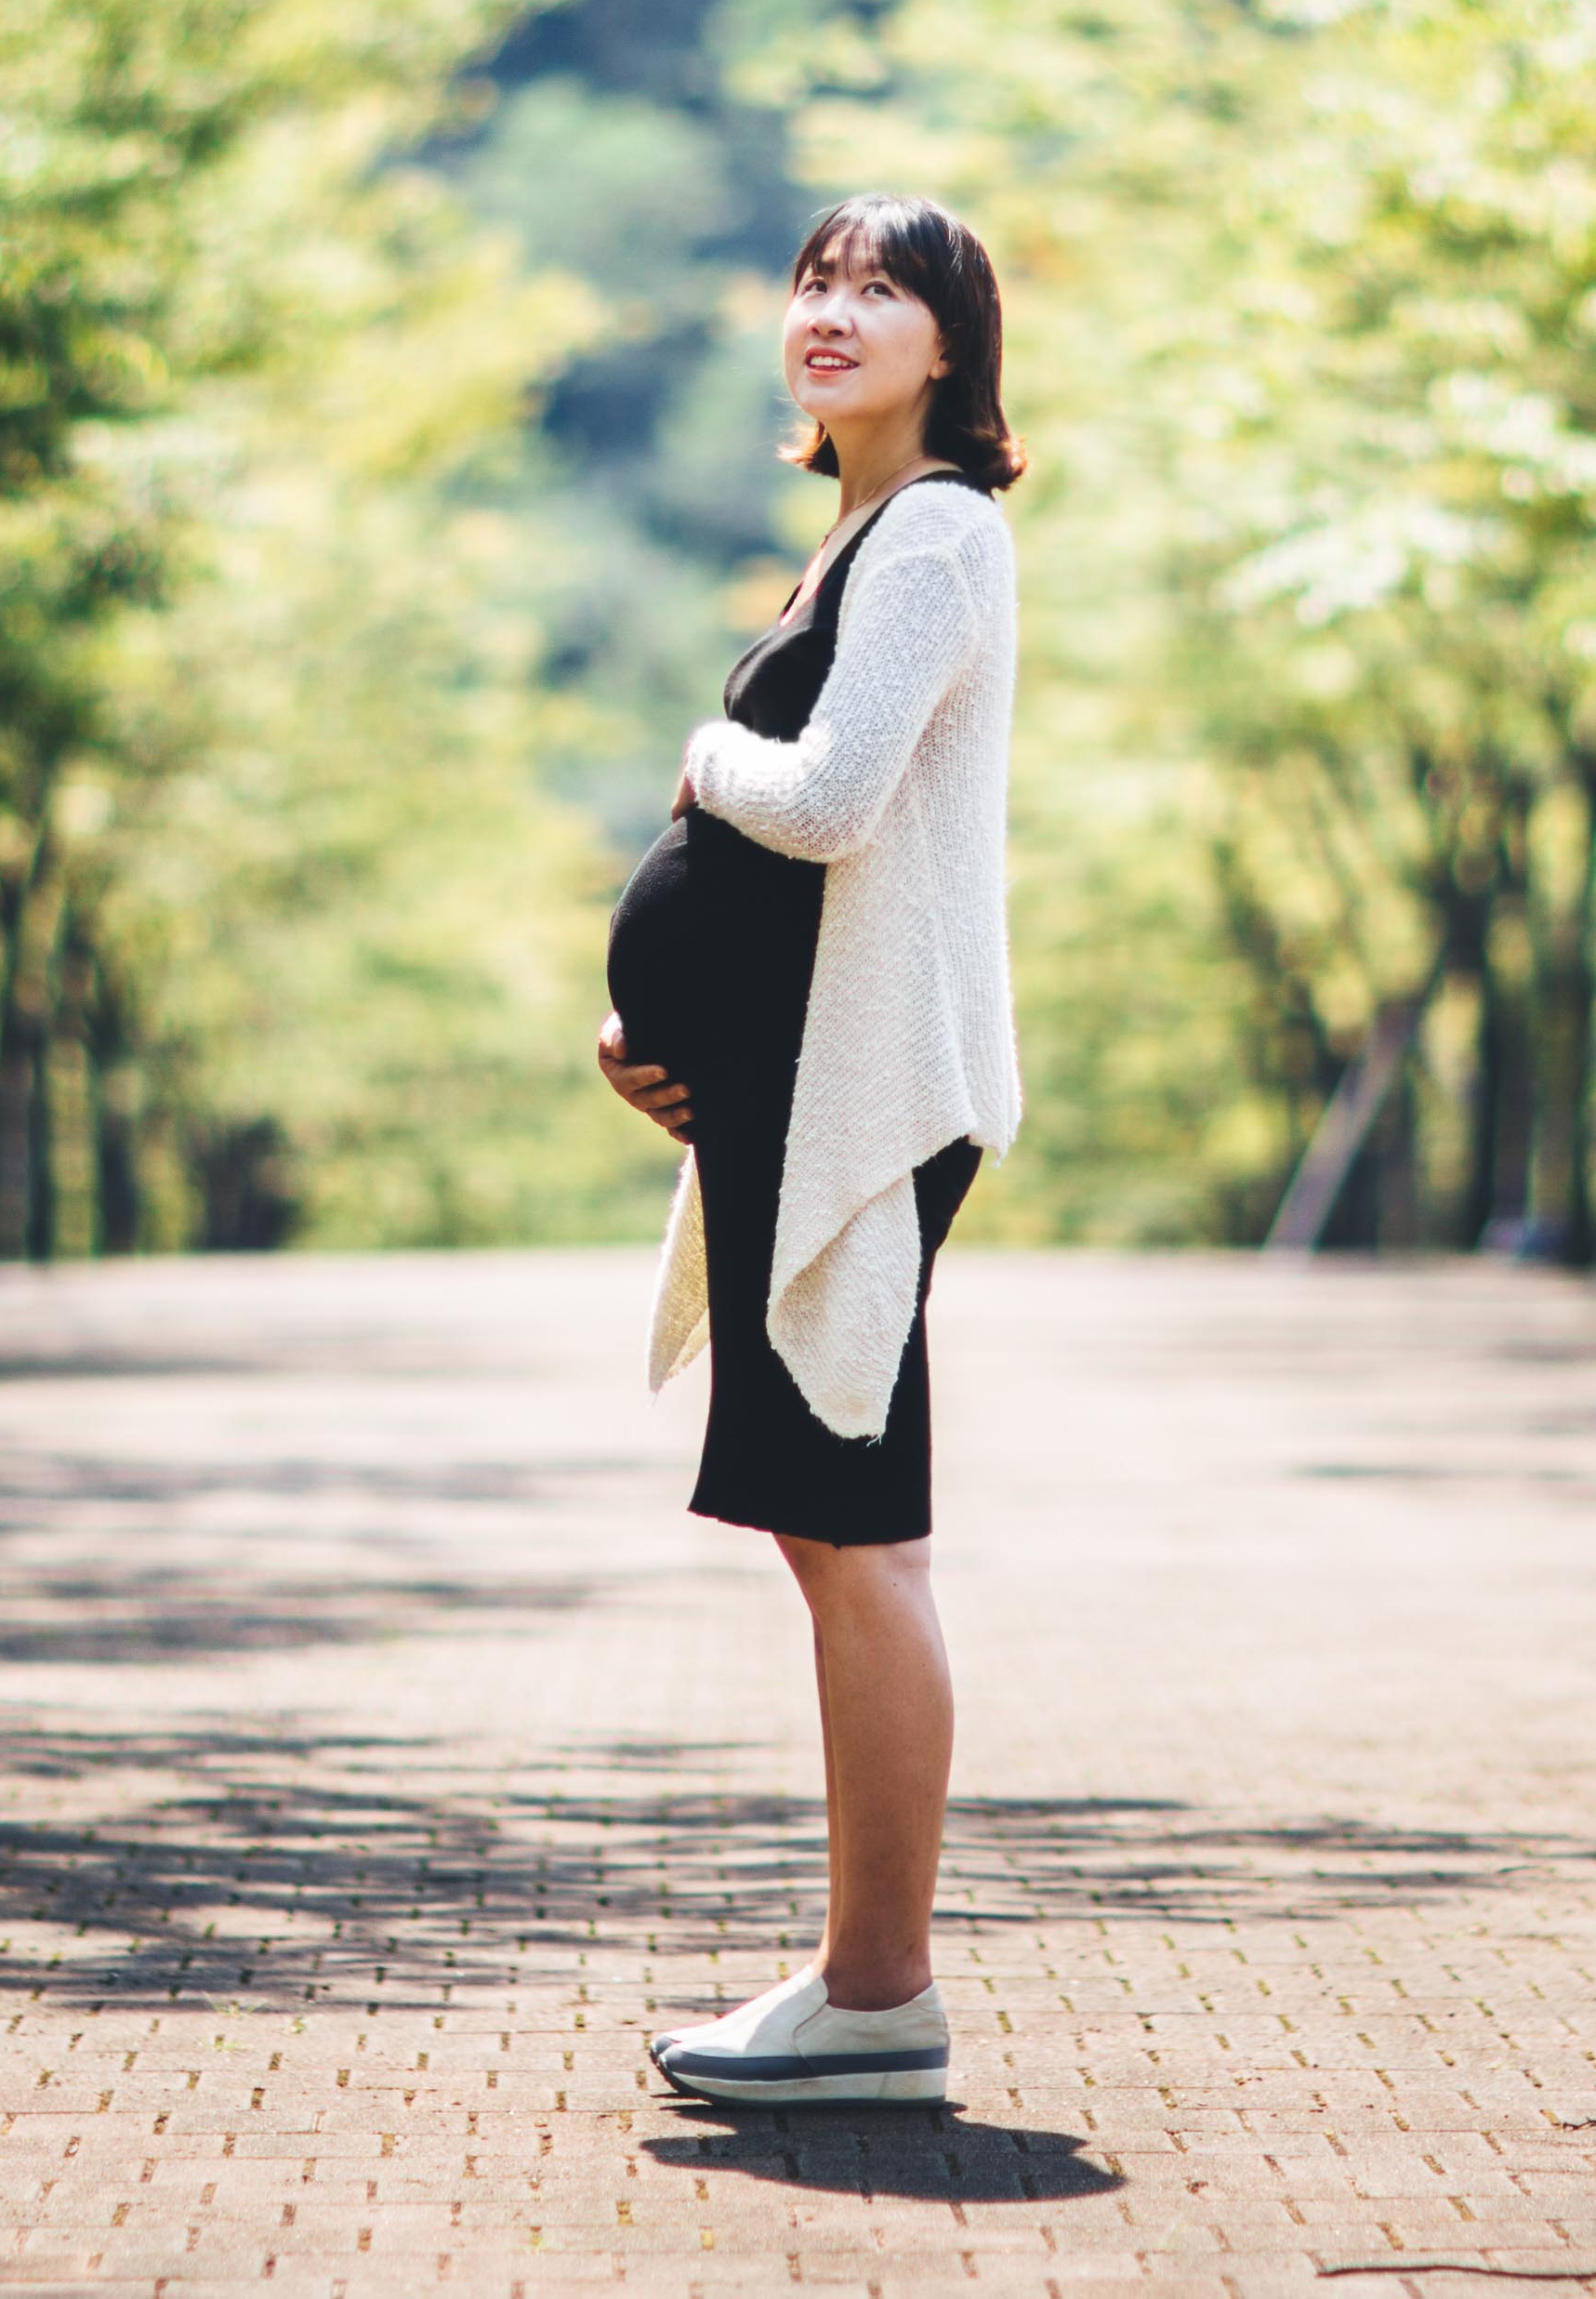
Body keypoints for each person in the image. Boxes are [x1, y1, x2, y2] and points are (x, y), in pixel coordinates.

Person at [594, 193, 1025, 2109]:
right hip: (792, 1089)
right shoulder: (862, 533)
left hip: (854, 1104)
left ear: (953, 344)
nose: (837, 315)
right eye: (817, 285)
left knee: (857, 1536)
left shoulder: (932, 530)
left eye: (885, 292)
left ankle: (877, 1995)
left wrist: (702, 754)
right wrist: (655, 1022)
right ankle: (865, 1983)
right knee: (828, 1527)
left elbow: (831, 801)